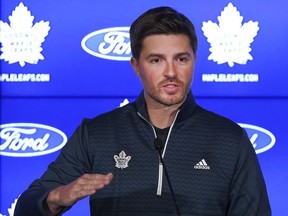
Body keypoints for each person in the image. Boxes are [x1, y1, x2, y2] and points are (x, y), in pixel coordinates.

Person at [14, 6, 271, 216]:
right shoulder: (96, 134)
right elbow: (26, 207)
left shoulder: (229, 139)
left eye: (181, 59)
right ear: (136, 66)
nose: (171, 72)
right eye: (156, 60)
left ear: (195, 60)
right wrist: (56, 197)